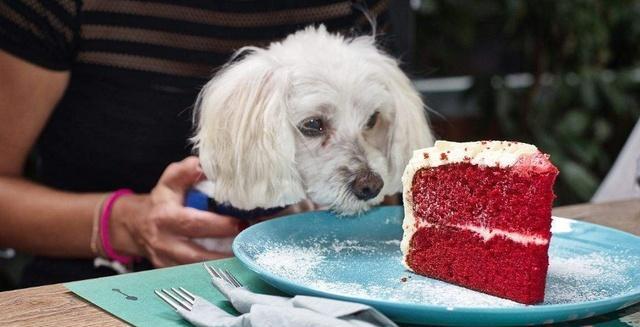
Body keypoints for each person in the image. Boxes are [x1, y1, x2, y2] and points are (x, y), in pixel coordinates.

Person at [0, 0, 392, 287]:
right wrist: (125, 225)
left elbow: (387, 169)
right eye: (313, 125)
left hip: (304, 283)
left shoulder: (351, 7)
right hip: (93, 285)